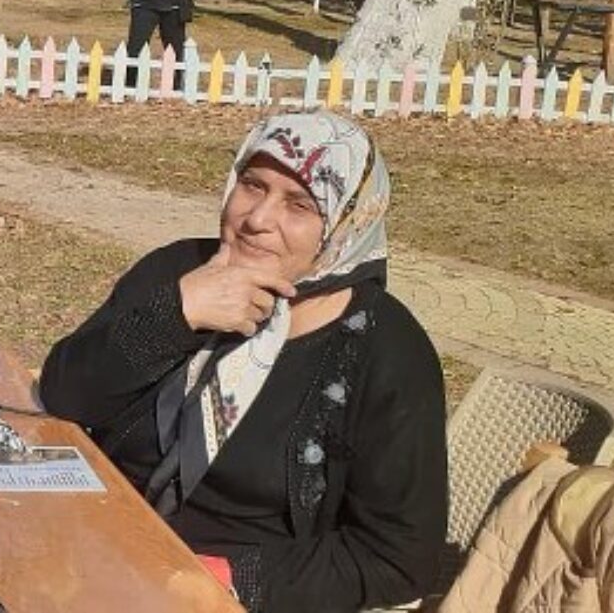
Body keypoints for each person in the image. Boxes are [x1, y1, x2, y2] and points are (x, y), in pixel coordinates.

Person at [39, 111, 446, 612]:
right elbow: (64, 393)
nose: (258, 220)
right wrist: (177, 313)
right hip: (98, 543)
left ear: (346, 223)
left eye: (299, 205)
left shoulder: (387, 354)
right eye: (253, 185)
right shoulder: (177, 270)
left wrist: (231, 579)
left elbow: (401, 557)